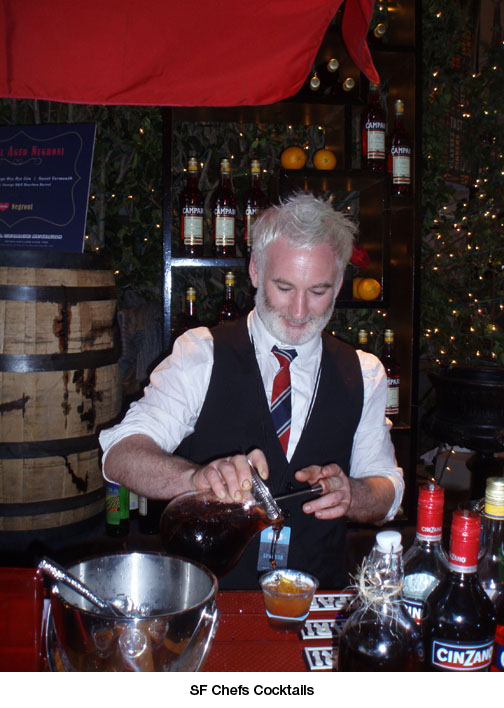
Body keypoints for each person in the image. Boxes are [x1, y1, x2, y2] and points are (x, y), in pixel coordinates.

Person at [99, 191, 403, 589]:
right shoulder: (201, 353)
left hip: (314, 599)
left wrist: (354, 494)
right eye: (284, 287)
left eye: (318, 291)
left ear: (340, 282)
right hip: (211, 597)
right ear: (256, 271)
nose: (299, 311)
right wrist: (195, 479)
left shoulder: (364, 372)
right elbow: (120, 455)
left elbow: (387, 488)